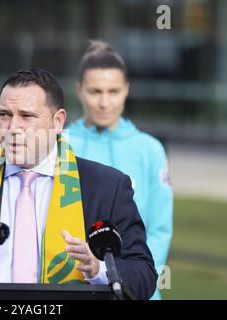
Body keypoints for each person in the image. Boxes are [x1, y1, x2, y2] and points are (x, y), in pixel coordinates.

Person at [0, 69, 157, 300]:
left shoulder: (107, 187)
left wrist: (99, 269)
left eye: (27, 116)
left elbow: (143, 276)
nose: (13, 128)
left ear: (58, 121)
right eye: (4, 115)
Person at [67, 40, 173, 300]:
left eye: (113, 91)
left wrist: (133, 280)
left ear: (126, 90)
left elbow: (159, 229)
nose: (104, 102)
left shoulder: (150, 149)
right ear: (79, 90)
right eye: (95, 91)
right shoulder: (61, 143)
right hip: (74, 285)